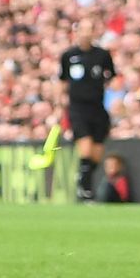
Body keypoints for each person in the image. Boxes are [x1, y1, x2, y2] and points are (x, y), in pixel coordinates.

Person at [58, 18, 117, 202]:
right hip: (78, 108)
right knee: (85, 148)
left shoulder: (102, 55)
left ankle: (83, 179)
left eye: (90, 29)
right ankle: (86, 191)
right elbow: (62, 81)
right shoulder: (69, 56)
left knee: (97, 154)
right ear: (76, 32)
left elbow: (111, 77)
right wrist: (60, 105)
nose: (86, 33)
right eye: (83, 29)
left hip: (97, 108)